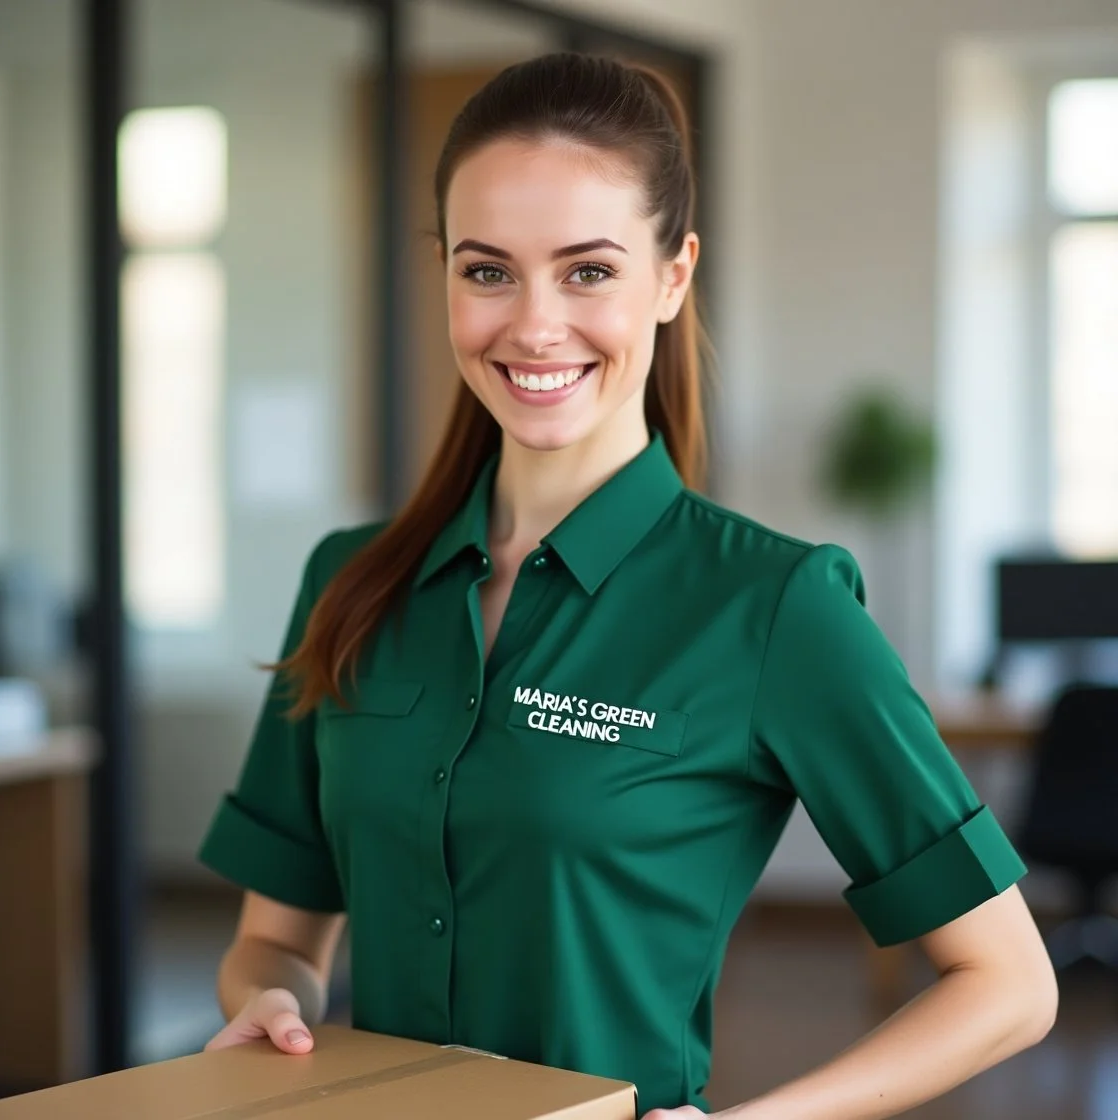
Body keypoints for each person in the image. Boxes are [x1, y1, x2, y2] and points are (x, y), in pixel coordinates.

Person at [198, 52, 1057, 1119]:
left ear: (673, 275)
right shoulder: (352, 580)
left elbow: (1009, 984)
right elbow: (276, 938)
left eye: (588, 270)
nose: (534, 324)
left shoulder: (774, 606)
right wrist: (274, 1003)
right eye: (487, 270)